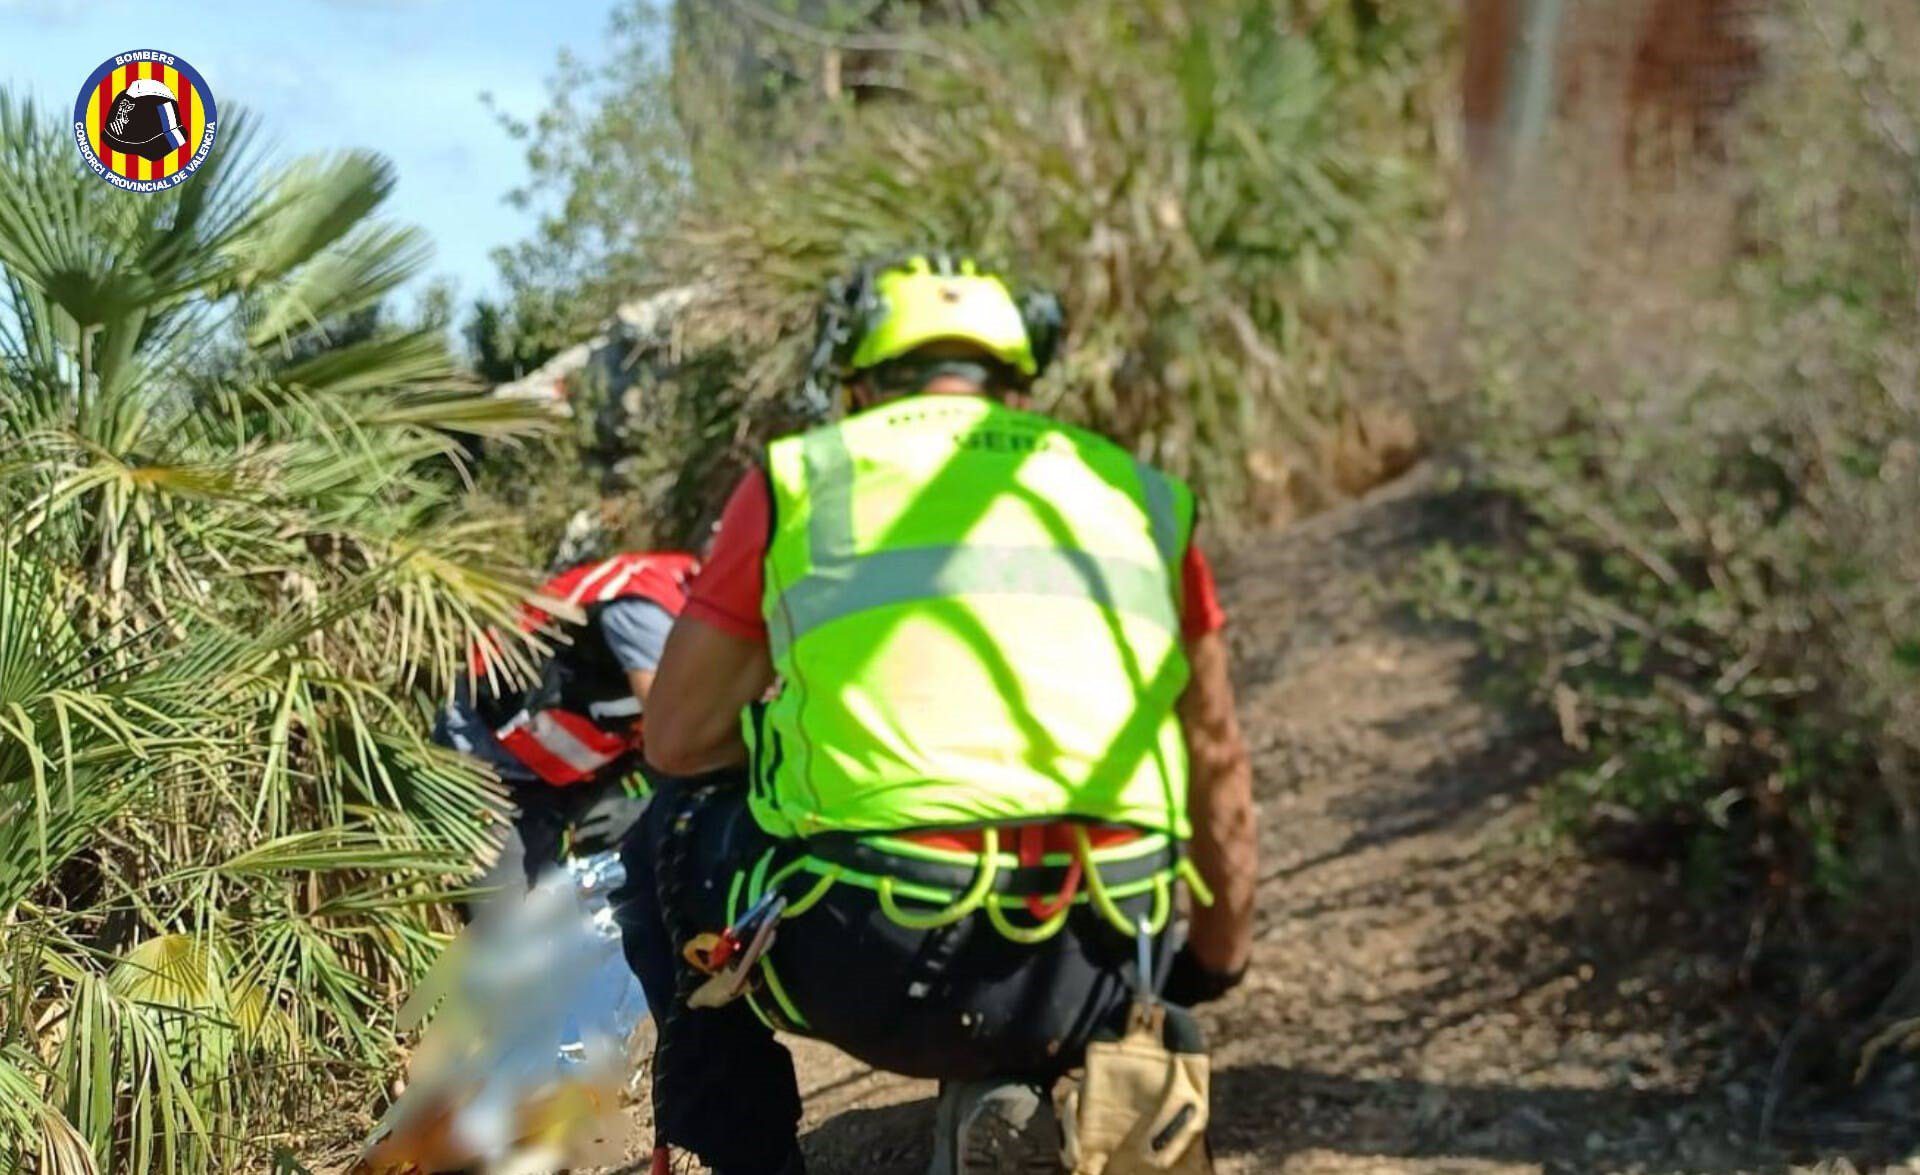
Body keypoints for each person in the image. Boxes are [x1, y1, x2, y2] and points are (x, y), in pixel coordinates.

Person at [617, 254, 1257, 1175]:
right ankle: (1045, 1074)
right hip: (1105, 955)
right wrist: (1214, 960)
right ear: (1018, 385)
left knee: (666, 826)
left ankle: (742, 1156)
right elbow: (1216, 752)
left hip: (877, 956)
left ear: (858, 385)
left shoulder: (802, 480)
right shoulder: (1142, 496)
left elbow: (677, 740)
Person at [435, 550, 699, 885]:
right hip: (483, 741)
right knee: (490, 886)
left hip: (548, 775)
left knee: (531, 889)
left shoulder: (685, 600)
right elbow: (675, 732)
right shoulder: (652, 608)